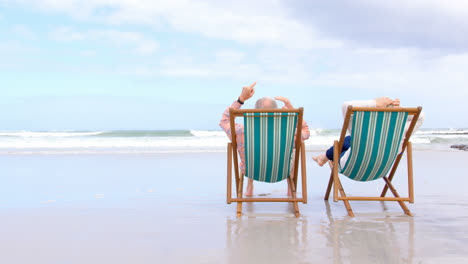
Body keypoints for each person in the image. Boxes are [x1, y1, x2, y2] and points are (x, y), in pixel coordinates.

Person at [220, 82, 310, 196]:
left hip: (251, 171)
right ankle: (290, 188)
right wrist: (291, 108)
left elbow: (224, 121)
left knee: (250, 151)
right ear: (278, 112)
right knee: (291, 152)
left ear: (254, 111)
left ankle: (249, 186)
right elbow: (306, 131)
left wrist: (241, 99)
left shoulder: (241, 130)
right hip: (282, 171)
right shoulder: (289, 133)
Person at [312, 97, 425, 168]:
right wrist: (400, 109)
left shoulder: (364, 136)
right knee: (350, 141)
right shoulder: (400, 134)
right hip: (382, 168)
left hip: (354, 166)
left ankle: (325, 156)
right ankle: (323, 157)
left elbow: (346, 106)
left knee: (349, 140)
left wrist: (375, 103)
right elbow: (420, 116)